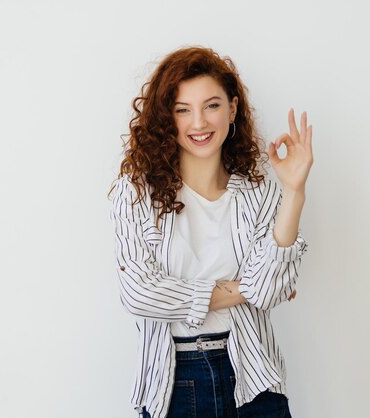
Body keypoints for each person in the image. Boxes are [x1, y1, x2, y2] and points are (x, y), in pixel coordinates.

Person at [108, 45, 313, 418]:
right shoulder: (138, 191)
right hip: (174, 382)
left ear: (232, 109)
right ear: (167, 118)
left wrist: (294, 192)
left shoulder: (258, 191)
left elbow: (270, 289)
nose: (199, 123)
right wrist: (244, 288)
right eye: (183, 110)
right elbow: (138, 293)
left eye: (211, 105)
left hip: (252, 374)